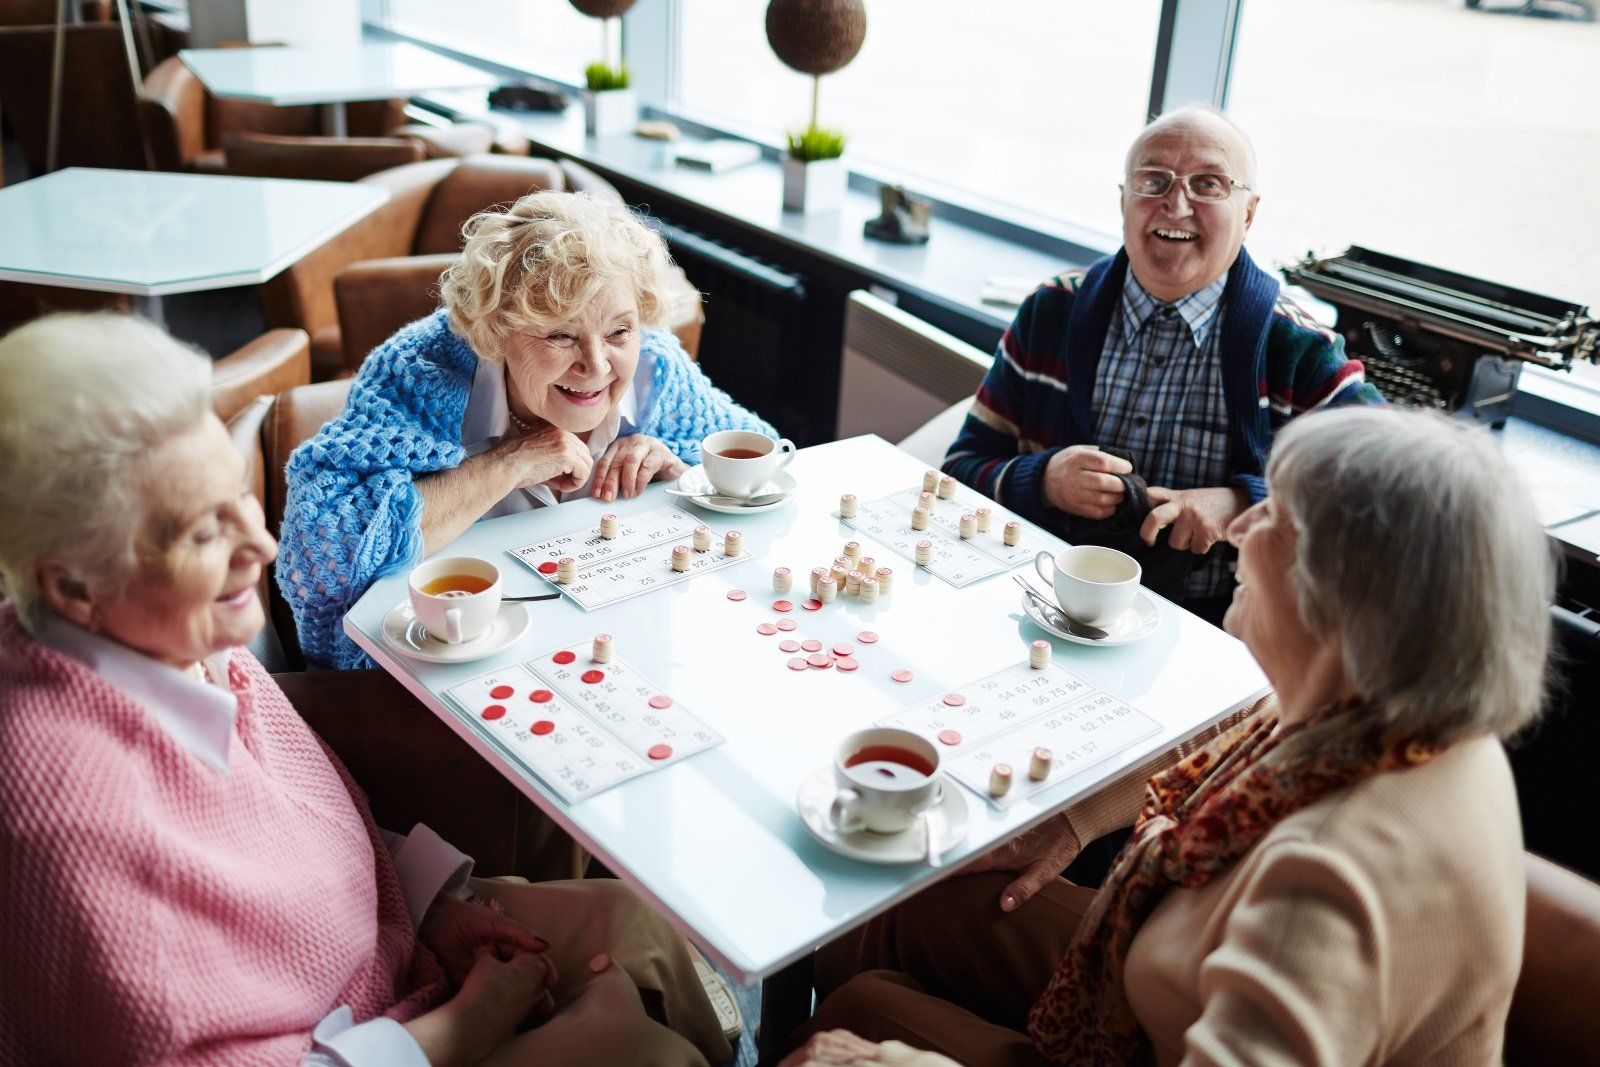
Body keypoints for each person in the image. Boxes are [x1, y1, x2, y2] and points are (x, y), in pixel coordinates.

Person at [0, 313, 731, 1067]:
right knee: (647, 1054)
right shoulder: (66, 811)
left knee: (633, 918)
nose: (262, 546)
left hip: (388, 963)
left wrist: (434, 908)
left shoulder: (161, 632)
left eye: (238, 502)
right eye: (200, 533)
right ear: (72, 585)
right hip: (376, 1043)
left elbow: (297, 828)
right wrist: (463, 1027)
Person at [788, 405, 1551, 1065]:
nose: (1241, 527)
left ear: (1349, 603)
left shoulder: (1325, 885)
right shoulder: (1388, 710)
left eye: (1277, 518)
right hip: (1162, 982)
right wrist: (1069, 820)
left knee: (856, 1016)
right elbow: (1217, 728)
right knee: (915, 901)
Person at [280, 190, 777, 668]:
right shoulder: (416, 373)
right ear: (497, 332)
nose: (598, 365)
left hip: (615, 641)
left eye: (619, 331)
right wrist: (507, 464)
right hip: (452, 663)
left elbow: (764, 471)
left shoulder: (656, 370)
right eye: (561, 335)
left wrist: (682, 474)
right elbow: (322, 552)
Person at [943, 104, 1383, 624]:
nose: (1176, 205)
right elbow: (958, 471)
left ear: (1248, 213)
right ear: (1124, 200)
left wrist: (1247, 504)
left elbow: (1383, 500)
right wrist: (1042, 481)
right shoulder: (1052, 310)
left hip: (1213, 630)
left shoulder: (1299, 349)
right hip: (1041, 606)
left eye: (1209, 184)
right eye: (1153, 181)